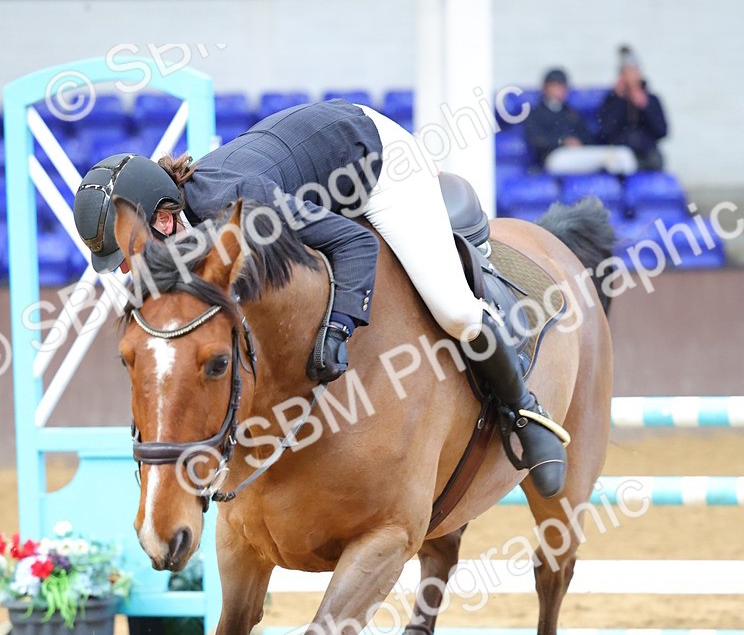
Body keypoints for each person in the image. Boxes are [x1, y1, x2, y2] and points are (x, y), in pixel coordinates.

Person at [73, 99, 569, 497]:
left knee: (455, 310)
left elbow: (355, 243)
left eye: (125, 254)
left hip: (375, 164)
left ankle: (525, 410)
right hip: (310, 159)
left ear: (163, 220)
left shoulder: (242, 208)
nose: (123, 269)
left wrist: (338, 330)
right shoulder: (184, 235)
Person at [524, 68, 637, 176]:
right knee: (564, 161)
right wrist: (562, 142)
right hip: (555, 156)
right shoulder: (537, 113)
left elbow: (587, 137)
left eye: (562, 86)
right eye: (555, 86)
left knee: (623, 154)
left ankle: (622, 188)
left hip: (580, 154)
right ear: (545, 88)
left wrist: (578, 142)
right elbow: (536, 140)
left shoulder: (571, 113)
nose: (559, 90)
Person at [598, 46, 668, 171]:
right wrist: (619, 100)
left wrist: (645, 107)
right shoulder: (611, 100)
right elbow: (606, 131)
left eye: (634, 72)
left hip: (646, 152)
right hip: (620, 152)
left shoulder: (651, 100)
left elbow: (662, 131)